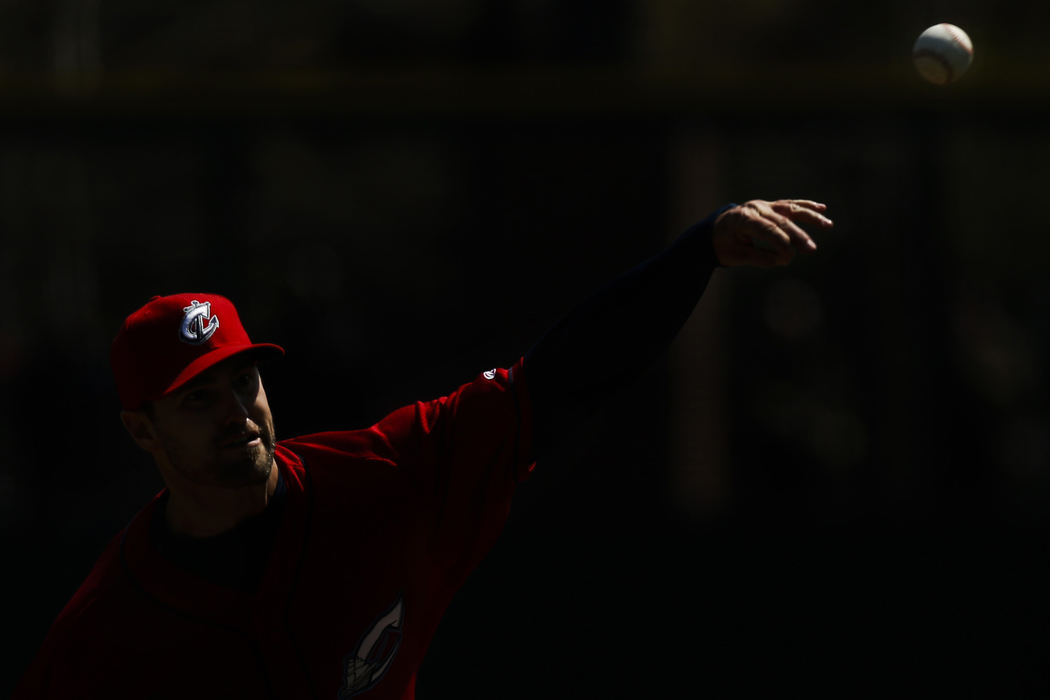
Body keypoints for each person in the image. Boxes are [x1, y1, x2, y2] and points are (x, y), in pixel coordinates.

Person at [13, 198, 833, 699]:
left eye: (244, 383)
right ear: (142, 430)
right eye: (199, 399)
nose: (237, 412)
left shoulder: (380, 479)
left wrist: (696, 255)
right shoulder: (104, 634)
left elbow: (558, 382)